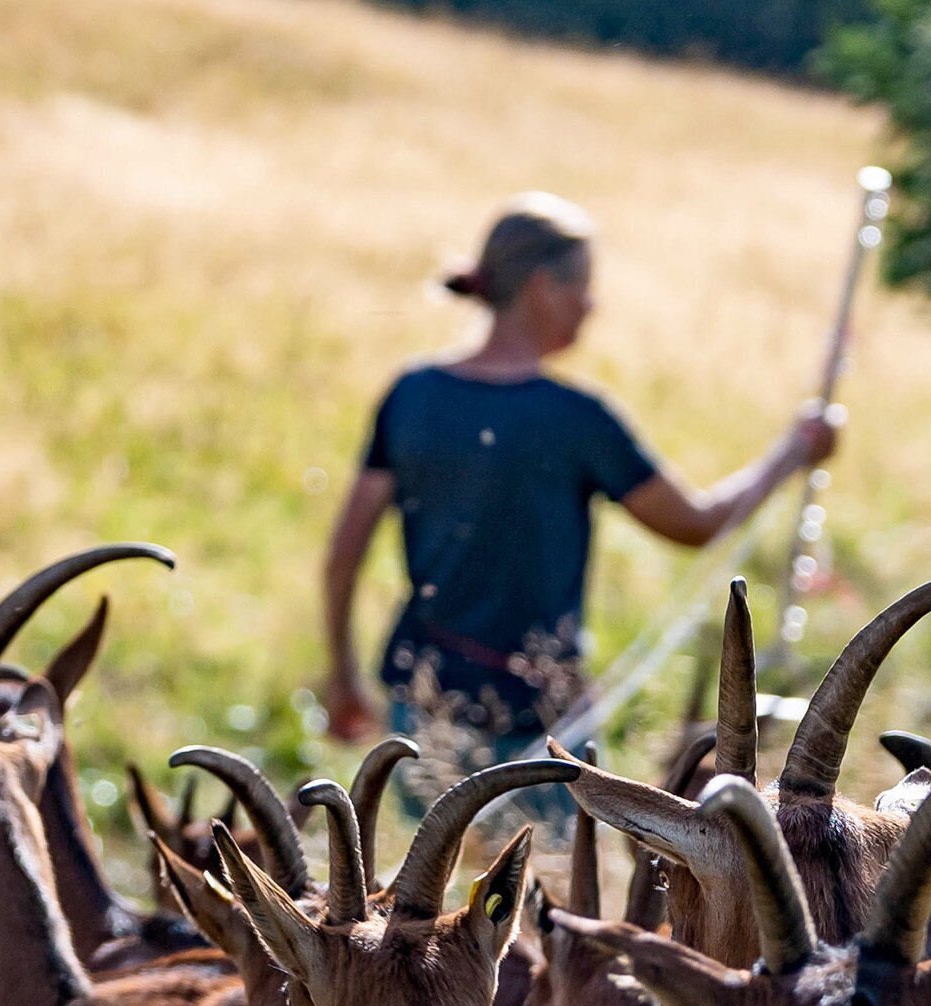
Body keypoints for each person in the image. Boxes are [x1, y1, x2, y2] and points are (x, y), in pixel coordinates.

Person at [322, 194, 839, 774]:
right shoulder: (578, 419)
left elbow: (344, 554)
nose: (591, 306)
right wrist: (793, 453)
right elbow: (696, 523)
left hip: (417, 705)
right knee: (545, 864)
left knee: (433, 865)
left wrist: (343, 675)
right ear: (543, 287)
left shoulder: (411, 394)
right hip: (540, 725)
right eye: (584, 287)